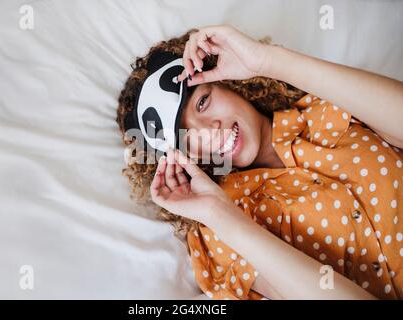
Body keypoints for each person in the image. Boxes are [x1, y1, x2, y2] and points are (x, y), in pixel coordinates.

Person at [116, 24, 403, 299]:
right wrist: (220, 215)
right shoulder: (223, 229)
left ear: (226, 82)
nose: (209, 130)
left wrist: (268, 61)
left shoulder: (328, 108)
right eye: (186, 137)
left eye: (203, 102)